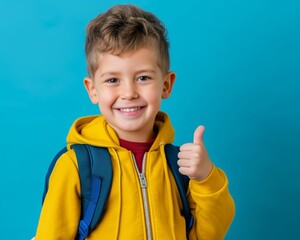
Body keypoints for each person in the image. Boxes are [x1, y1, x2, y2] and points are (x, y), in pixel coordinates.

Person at [35, 4, 235, 239]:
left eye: (143, 77)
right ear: (92, 90)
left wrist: (206, 178)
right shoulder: (74, 166)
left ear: (166, 84)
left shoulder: (180, 167)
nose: (128, 92)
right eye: (112, 80)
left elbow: (208, 235)